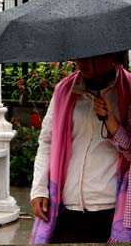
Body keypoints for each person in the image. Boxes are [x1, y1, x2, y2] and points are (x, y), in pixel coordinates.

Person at [30, 52, 131, 244]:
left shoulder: (129, 90)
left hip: (111, 206)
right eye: (79, 57)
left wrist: (112, 121)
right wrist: (39, 189)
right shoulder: (64, 91)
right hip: (67, 204)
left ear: (111, 57)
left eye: (91, 57)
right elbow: (47, 141)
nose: (82, 62)